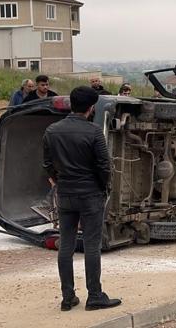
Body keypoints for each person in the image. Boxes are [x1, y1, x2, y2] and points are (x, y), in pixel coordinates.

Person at [42, 86, 121, 312]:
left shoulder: (51, 130)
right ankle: (95, 295)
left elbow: (47, 164)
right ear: (91, 108)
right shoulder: (94, 132)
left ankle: (68, 297)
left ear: (71, 104)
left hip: (65, 194)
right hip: (90, 194)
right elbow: (104, 166)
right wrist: (103, 186)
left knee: (65, 245)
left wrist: (58, 181)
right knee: (91, 245)